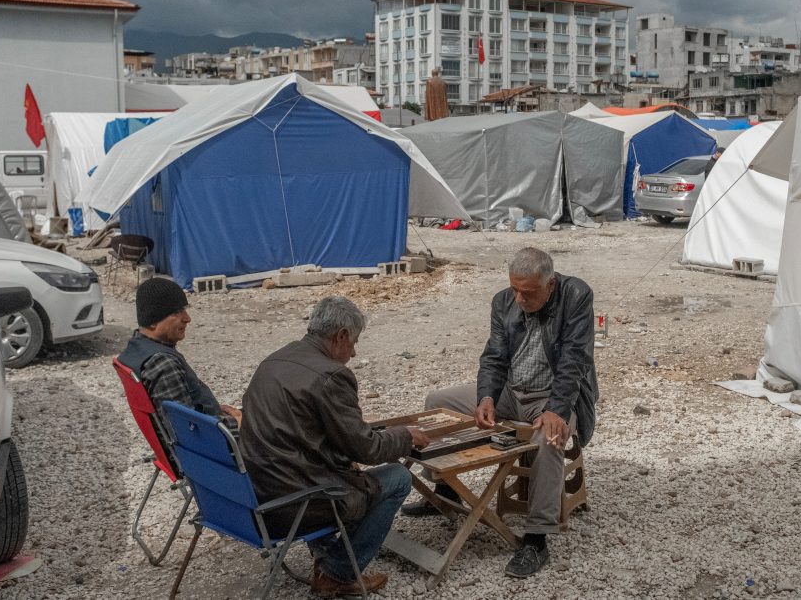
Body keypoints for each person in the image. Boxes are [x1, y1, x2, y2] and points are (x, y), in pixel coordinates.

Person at [402, 247, 598, 578]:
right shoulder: (503, 301)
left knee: (550, 438)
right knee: (439, 401)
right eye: (515, 289)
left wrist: (556, 409)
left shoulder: (576, 295)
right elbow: (493, 355)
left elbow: (574, 359)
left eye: (528, 292)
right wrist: (487, 397)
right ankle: (445, 491)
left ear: (550, 285)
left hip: (552, 395)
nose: (519, 298)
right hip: (511, 391)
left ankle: (536, 538)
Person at [241, 296, 430, 597]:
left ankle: (327, 551)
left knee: (347, 468)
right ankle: (337, 572)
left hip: (257, 490)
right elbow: (366, 449)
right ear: (340, 335)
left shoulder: (275, 359)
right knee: (398, 477)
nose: (354, 353)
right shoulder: (332, 375)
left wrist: (343, 453)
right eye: (353, 342)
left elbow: (305, 433)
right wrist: (404, 436)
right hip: (295, 501)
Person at [118, 277, 241, 454]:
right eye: (177, 312)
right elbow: (189, 434)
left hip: (201, 438)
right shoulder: (161, 363)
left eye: (184, 310)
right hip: (209, 456)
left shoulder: (136, 349)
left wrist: (213, 410)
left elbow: (182, 415)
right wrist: (239, 425)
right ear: (153, 320)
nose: (187, 318)